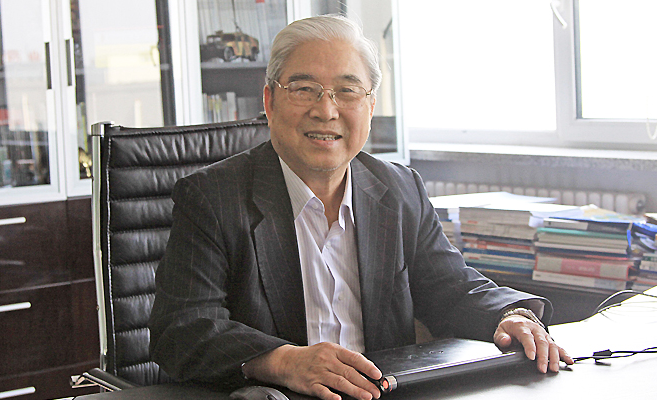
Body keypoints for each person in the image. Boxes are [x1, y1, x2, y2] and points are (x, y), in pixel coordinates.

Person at [149, 14, 572, 400]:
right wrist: (283, 361)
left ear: (370, 106)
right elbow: (182, 329)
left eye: (347, 91)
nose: (326, 110)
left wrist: (509, 315)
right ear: (270, 101)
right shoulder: (212, 197)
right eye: (304, 89)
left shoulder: (399, 189)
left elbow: (451, 288)